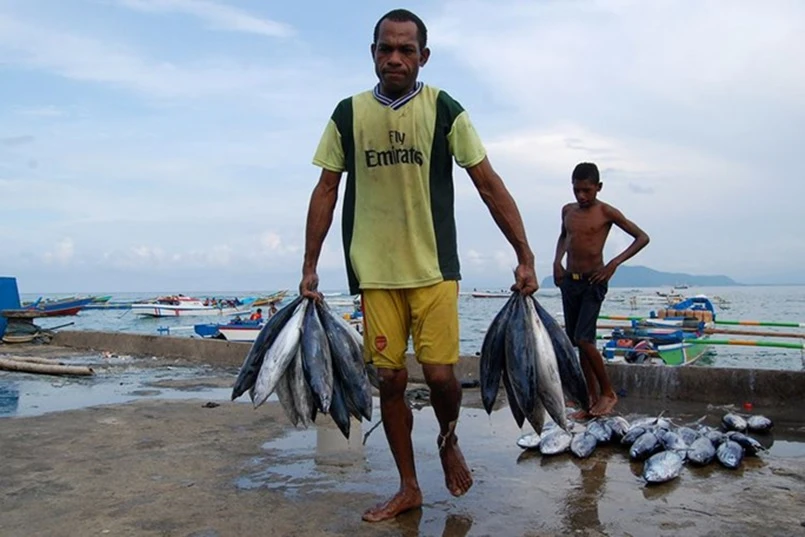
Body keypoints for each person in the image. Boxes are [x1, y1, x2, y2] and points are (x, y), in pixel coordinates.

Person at [299, 9, 538, 523]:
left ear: (423, 57)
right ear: (372, 53)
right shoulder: (348, 114)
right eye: (386, 48)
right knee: (389, 380)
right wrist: (310, 265)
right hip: (375, 272)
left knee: (441, 376)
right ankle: (408, 486)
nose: (395, 58)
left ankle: (448, 437)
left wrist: (524, 254)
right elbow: (326, 189)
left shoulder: (444, 109)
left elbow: (487, 183)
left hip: (434, 269)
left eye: (406, 50)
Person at [553, 162, 650, 417]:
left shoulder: (606, 212)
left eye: (587, 190)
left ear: (598, 187)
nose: (581, 196)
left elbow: (642, 237)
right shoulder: (567, 211)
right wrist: (557, 262)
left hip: (593, 281)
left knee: (584, 340)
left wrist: (613, 264)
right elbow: (564, 236)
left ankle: (608, 393)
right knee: (578, 341)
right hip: (570, 282)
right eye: (576, 190)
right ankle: (591, 400)